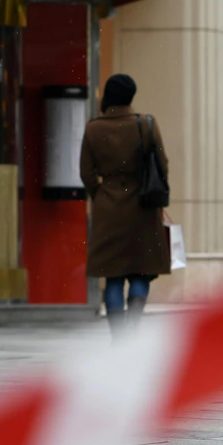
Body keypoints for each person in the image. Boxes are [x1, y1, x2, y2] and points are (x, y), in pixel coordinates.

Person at [80, 74, 170, 341]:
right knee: (142, 269)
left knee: (113, 275)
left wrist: (101, 194)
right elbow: (162, 166)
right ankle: (133, 325)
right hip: (143, 207)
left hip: (108, 210)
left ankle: (119, 336)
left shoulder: (94, 128)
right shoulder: (146, 124)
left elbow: (86, 172)